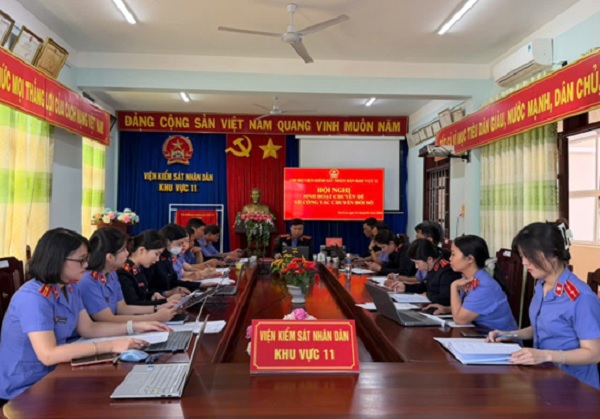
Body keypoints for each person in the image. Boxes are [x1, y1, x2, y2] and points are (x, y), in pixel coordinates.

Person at [0, 228, 170, 403]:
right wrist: (111, 346)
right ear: (57, 260)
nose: (86, 265)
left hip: (55, 373)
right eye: (81, 260)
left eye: (86, 259)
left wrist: (135, 327)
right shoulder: (33, 298)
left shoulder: (70, 287)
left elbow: (89, 328)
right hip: (24, 388)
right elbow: (48, 354)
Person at [488, 222, 600, 390]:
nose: (524, 262)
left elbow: (594, 353)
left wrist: (546, 355)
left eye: (529, 256)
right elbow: (542, 327)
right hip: (544, 379)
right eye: (522, 256)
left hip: (576, 387)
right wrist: (509, 334)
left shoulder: (581, 298)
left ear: (553, 254)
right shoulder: (542, 285)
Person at [79, 227, 178, 323]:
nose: (127, 253)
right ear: (110, 257)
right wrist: (153, 317)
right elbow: (107, 318)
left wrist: (158, 307)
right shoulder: (88, 280)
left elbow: (122, 308)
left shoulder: (112, 274)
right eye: (123, 250)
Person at [431, 235, 517, 331]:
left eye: (453, 254)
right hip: (480, 333)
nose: (450, 258)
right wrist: (447, 309)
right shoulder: (469, 277)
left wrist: (453, 286)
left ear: (470, 259)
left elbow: (459, 320)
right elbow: (469, 308)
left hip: (499, 338)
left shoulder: (484, 286)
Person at [116, 230, 183, 306]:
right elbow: (133, 303)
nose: (157, 259)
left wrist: (152, 295)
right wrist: (165, 301)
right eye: (156, 254)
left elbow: (142, 294)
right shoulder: (125, 272)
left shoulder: (139, 268)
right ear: (142, 250)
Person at [389, 238, 461, 308]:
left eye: (417, 263)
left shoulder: (447, 272)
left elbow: (445, 299)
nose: (416, 267)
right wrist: (405, 287)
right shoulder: (433, 268)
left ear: (429, 259)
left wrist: (428, 295)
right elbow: (424, 286)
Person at [385, 220, 447, 287]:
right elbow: (418, 279)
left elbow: (424, 285)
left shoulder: (438, 259)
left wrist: (402, 284)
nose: (415, 241)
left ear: (429, 240)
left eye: (418, 239)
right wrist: (397, 278)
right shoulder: (421, 255)